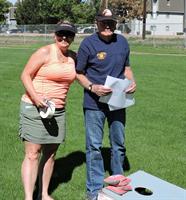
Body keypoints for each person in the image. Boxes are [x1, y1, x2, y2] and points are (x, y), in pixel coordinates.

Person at [76, 9, 136, 200]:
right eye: (104, 22)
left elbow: (127, 68)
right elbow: (79, 73)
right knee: (94, 146)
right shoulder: (88, 44)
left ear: (116, 23)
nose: (108, 25)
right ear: (97, 23)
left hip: (117, 102)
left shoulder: (122, 42)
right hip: (94, 103)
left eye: (111, 22)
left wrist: (132, 82)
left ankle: (118, 185)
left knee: (118, 145)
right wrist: (93, 87)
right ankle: (94, 191)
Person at [19, 21, 76, 200]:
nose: (64, 38)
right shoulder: (44, 52)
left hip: (57, 111)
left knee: (50, 154)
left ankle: (44, 194)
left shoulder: (74, 56)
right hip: (34, 107)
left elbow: (84, 75)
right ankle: (29, 197)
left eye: (69, 34)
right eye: (61, 34)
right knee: (32, 153)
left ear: (74, 37)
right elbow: (25, 75)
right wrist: (36, 98)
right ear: (55, 35)